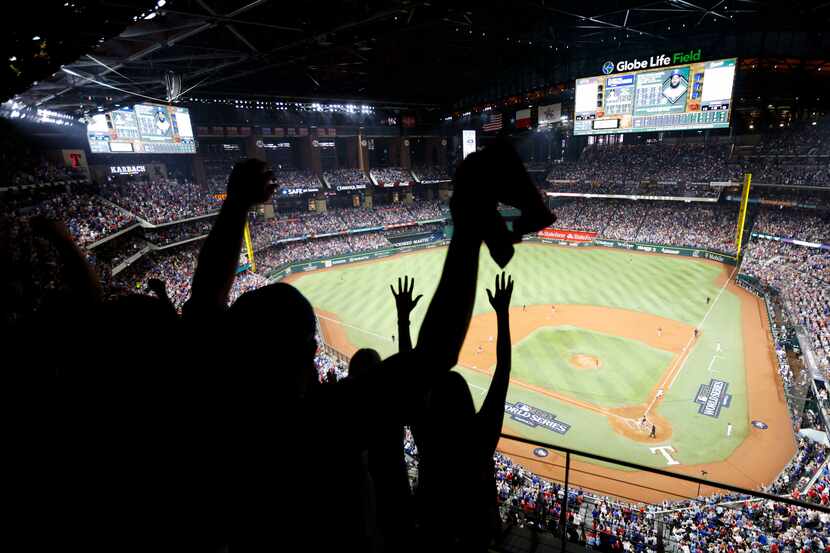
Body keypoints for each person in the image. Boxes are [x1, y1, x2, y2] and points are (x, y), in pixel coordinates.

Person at [416, 272, 515, 551]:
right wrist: (502, 313)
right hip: (476, 534)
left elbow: (411, 387)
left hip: (434, 532)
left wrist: (403, 321)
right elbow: (503, 370)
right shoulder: (480, 437)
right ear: (466, 401)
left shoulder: (428, 436)